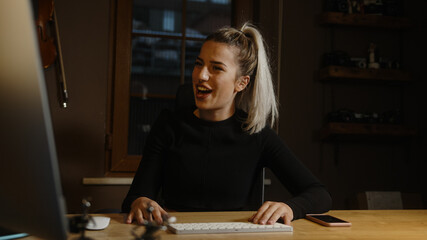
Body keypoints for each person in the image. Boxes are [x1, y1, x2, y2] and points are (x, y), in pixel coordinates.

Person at [122, 22, 331, 226]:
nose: (201, 75)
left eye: (216, 68)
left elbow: (319, 194)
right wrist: (139, 202)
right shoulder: (168, 125)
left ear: (241, 83)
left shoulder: (257, 134)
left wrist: (290, 208)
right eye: (198, 63)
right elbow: (134, 199)